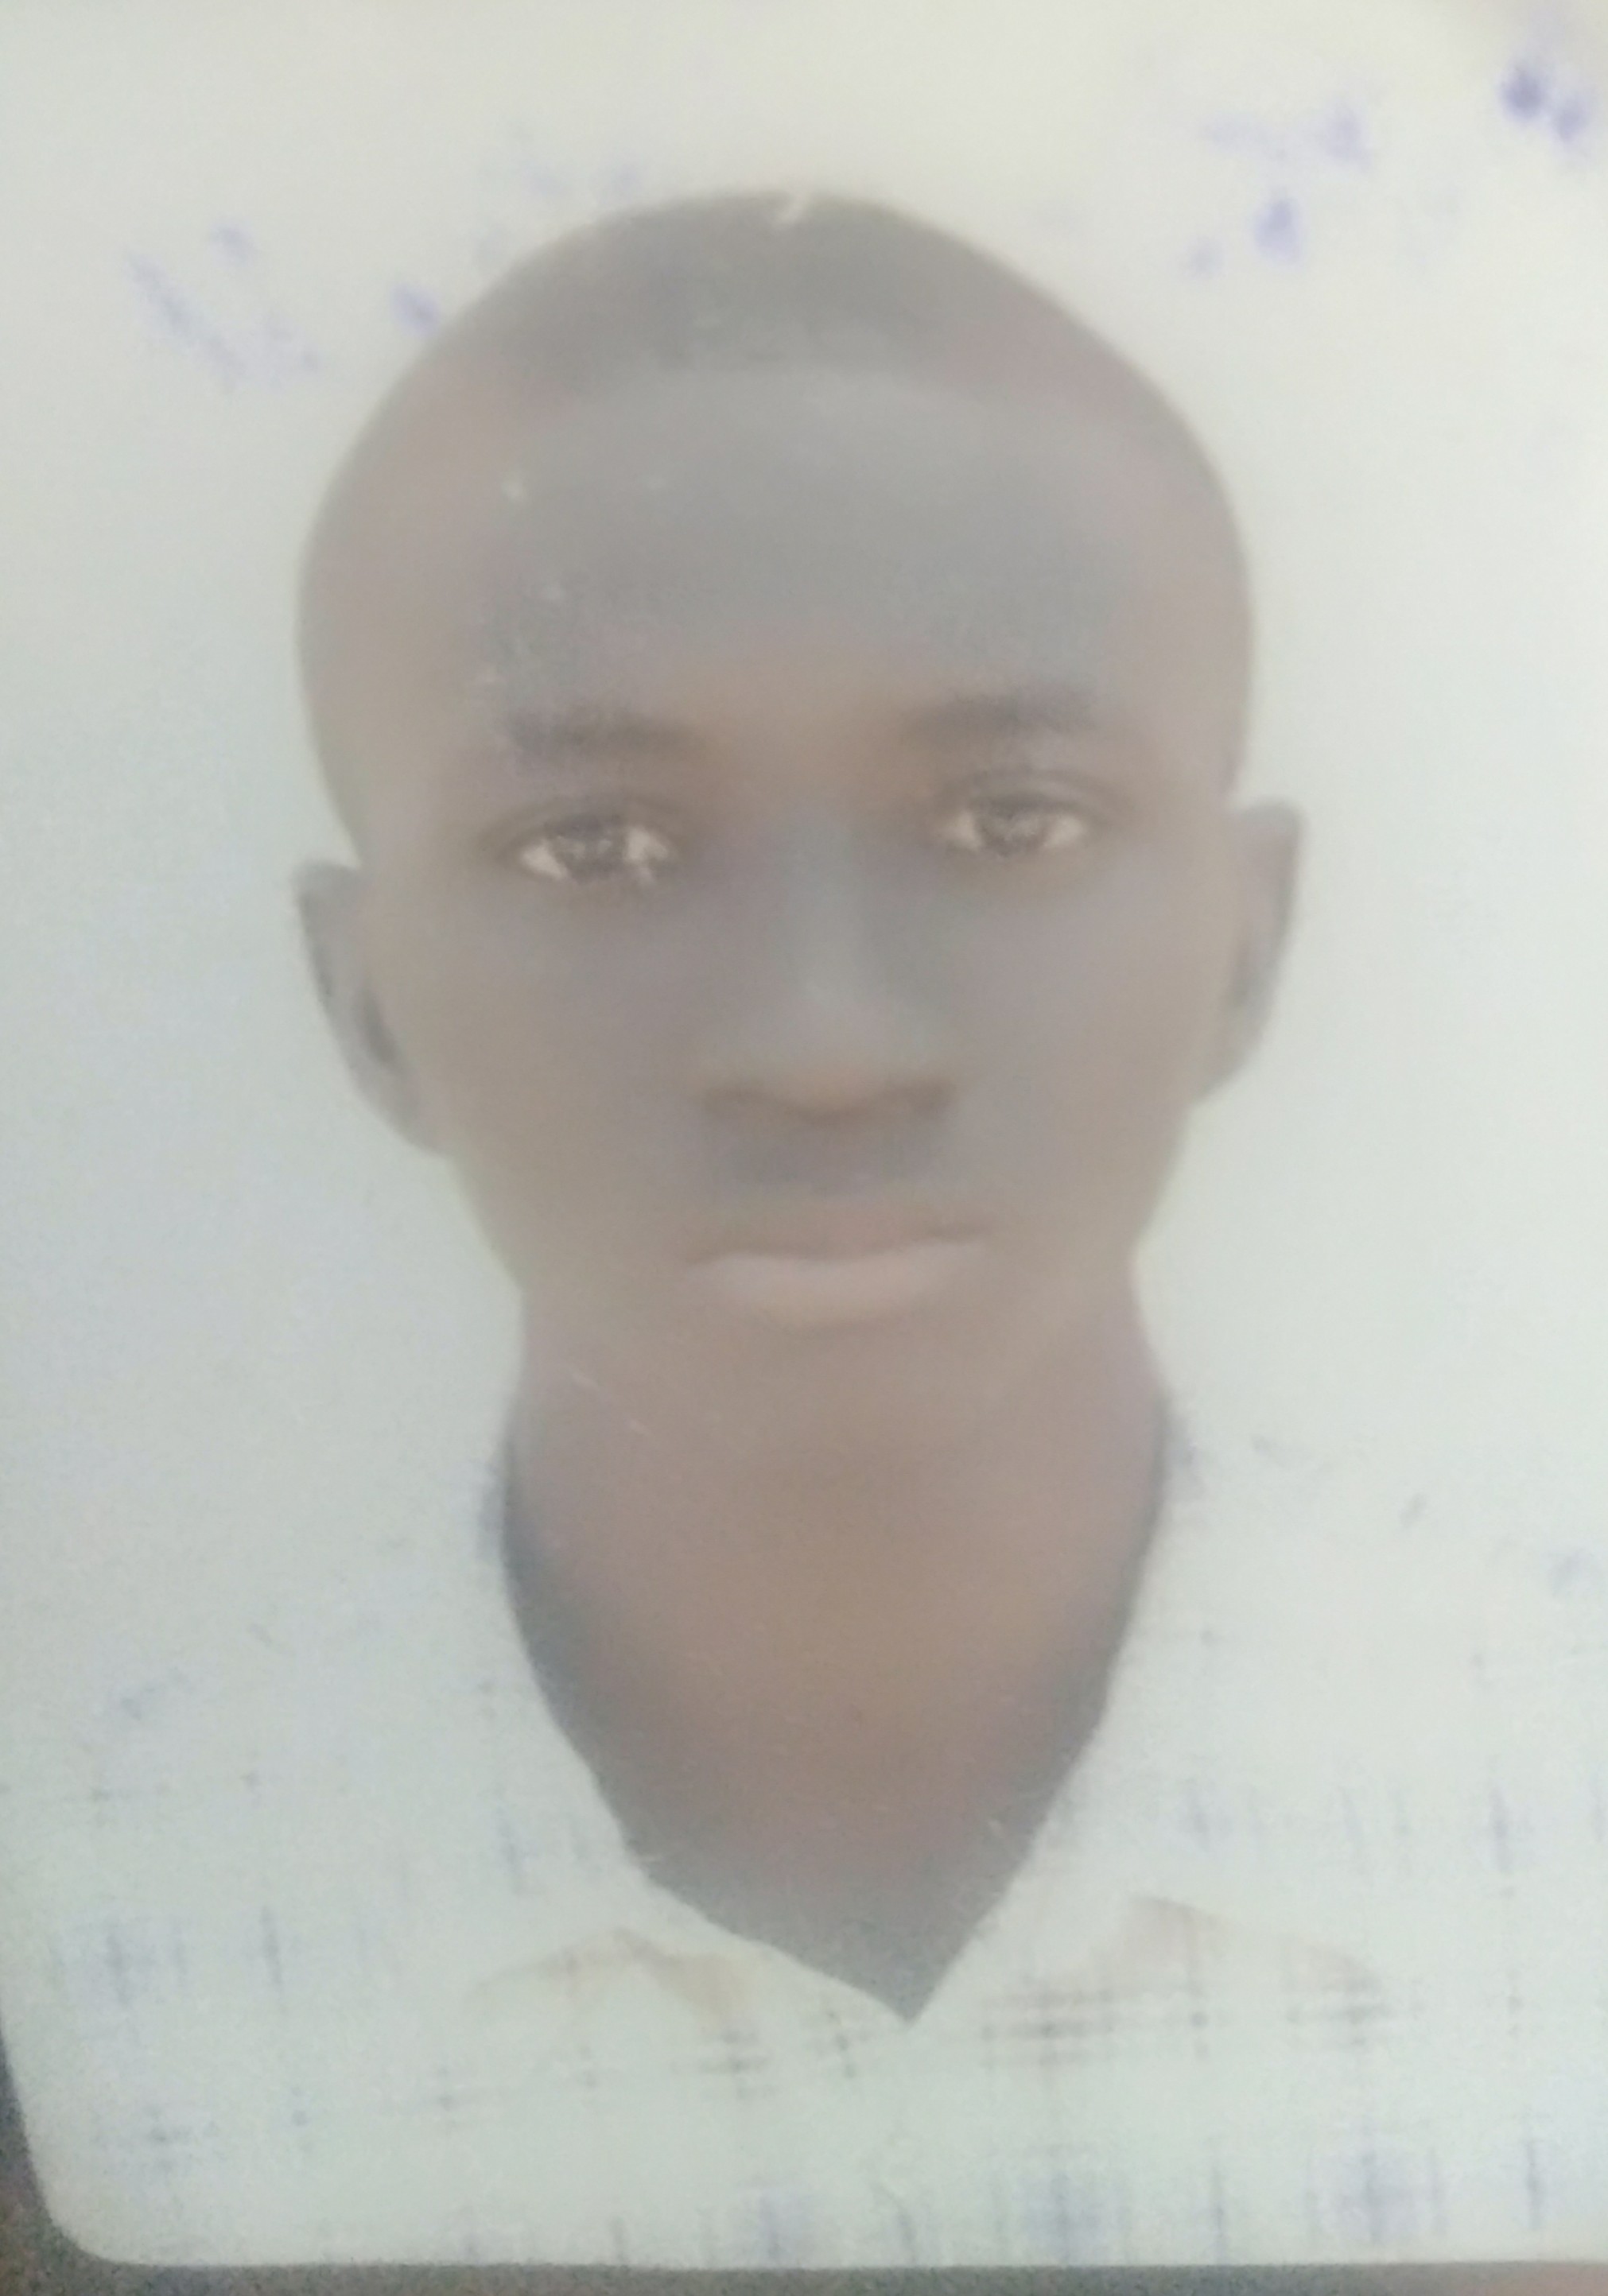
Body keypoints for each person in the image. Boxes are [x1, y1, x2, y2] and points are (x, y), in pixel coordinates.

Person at [12, 190, 1608, 2277]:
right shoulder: (90, 1939)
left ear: (1248, 939)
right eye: (595, 846)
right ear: (365, 1000)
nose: (823, 1046)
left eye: (1014, 822)